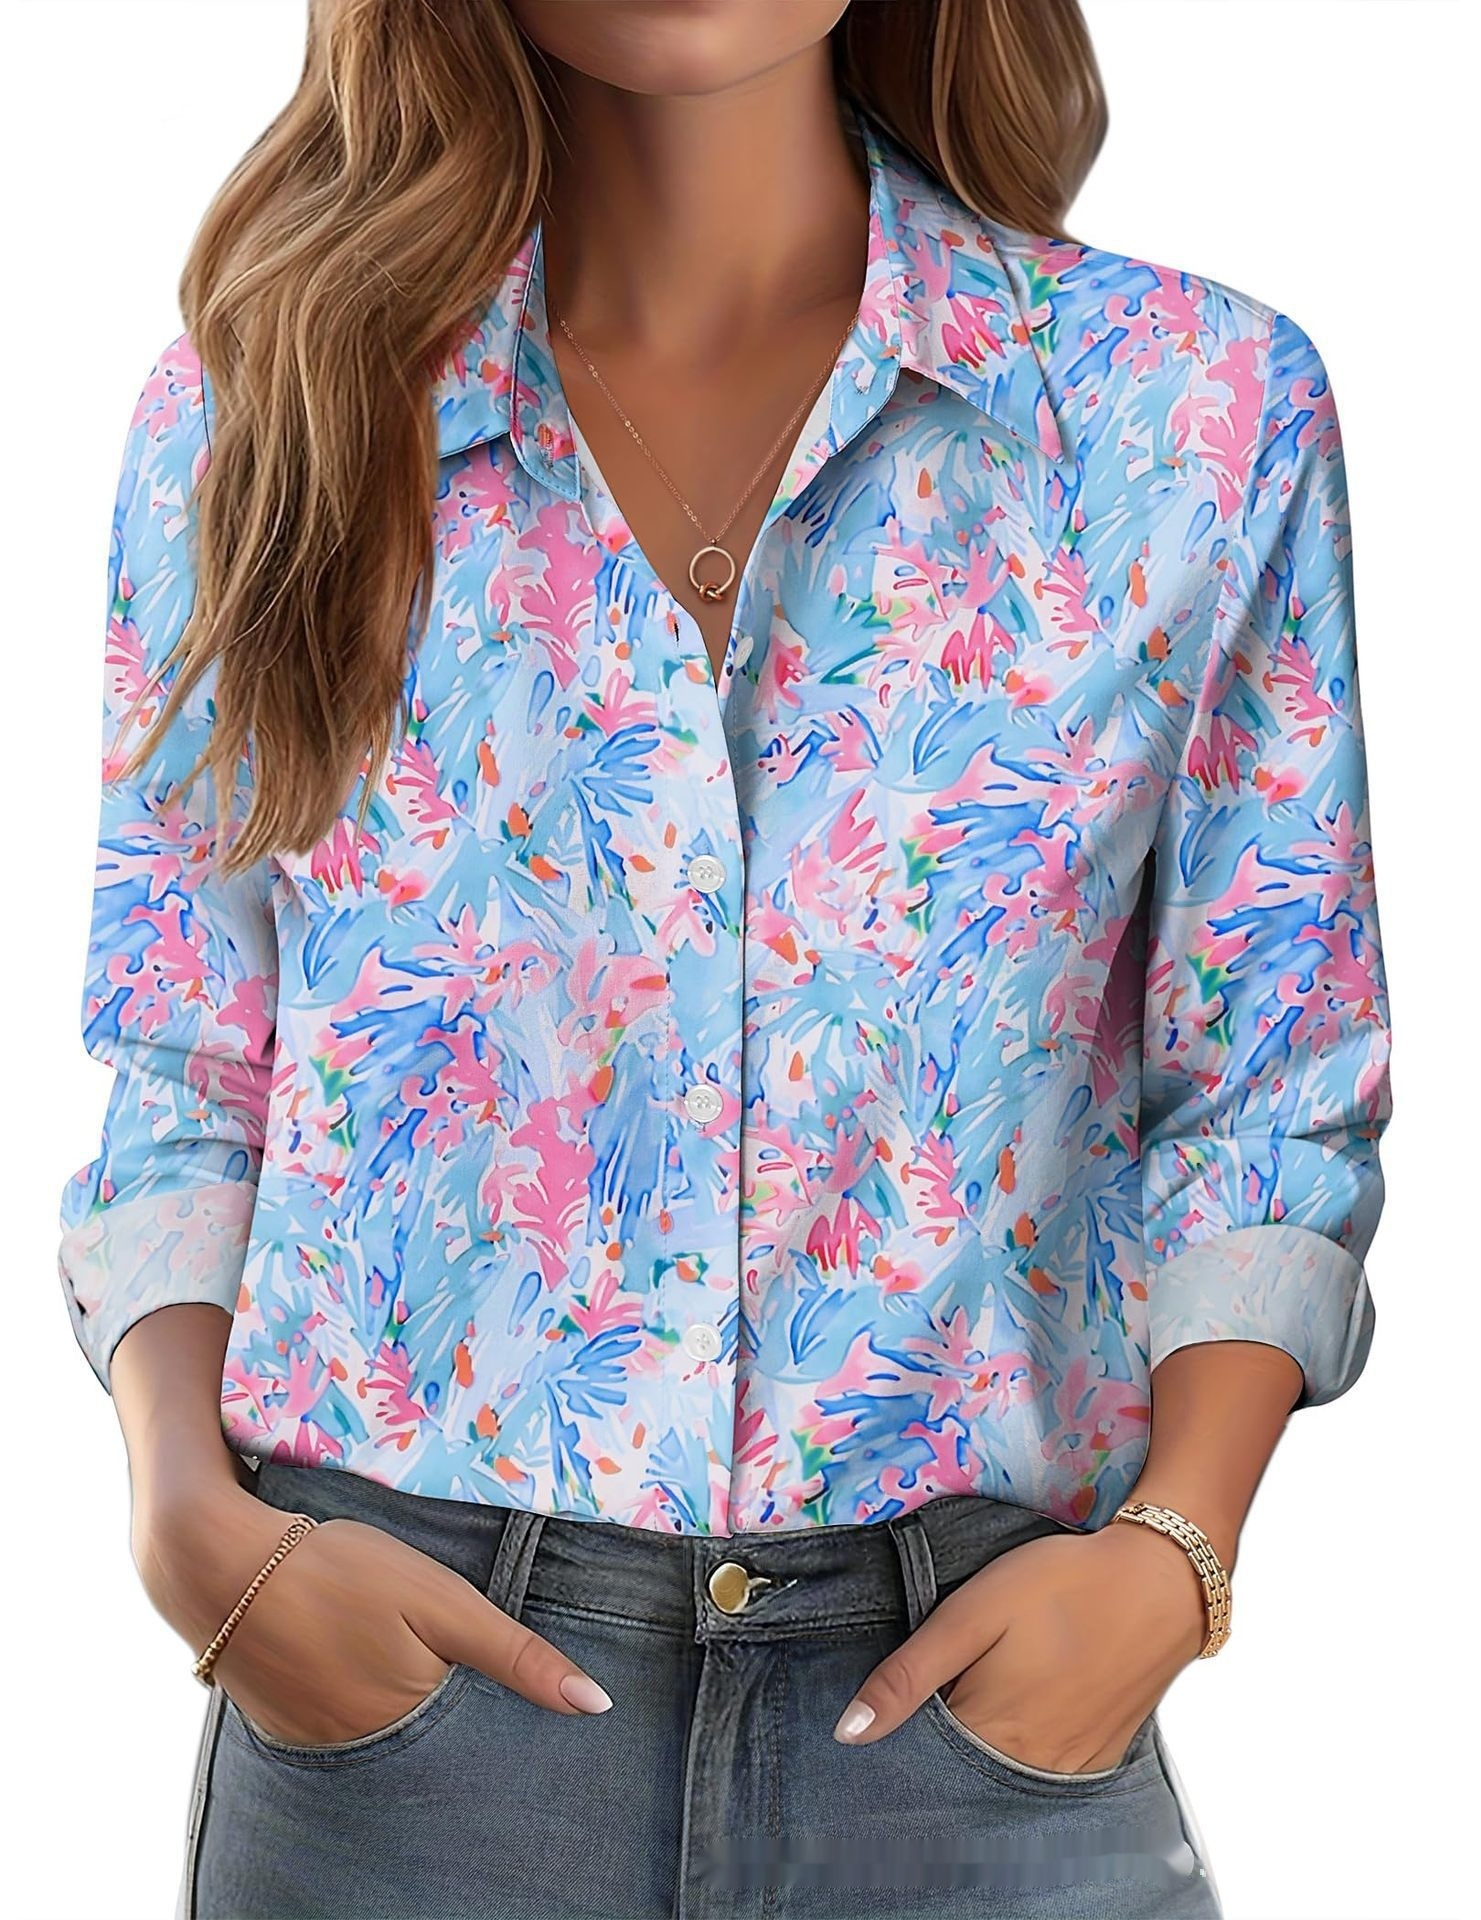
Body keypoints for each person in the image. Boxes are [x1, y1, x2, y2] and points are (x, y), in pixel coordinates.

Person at [57, 2, 1392, 1916]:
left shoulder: (1186, 412)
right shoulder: (261, 414)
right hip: (402, 1707)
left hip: (971, 1709)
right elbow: (187, 1059)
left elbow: (1272, 1080)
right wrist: (186, 1521)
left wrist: (1174, 1553)